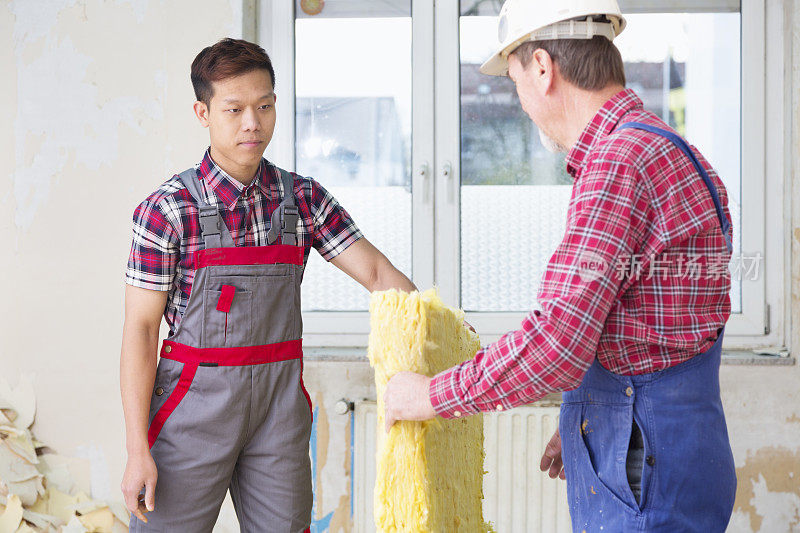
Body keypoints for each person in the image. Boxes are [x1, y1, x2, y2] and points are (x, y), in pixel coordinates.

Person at [382, 1, 737, 531]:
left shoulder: (617, 163)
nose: (520, 99)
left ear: (544, 68)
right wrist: (589, 421)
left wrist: (427, 396)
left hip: (648, 474)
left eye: (515, 78)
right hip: (680, 450)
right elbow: (653, 326)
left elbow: (557, 345)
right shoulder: (670, 149)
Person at [120, 38, 416, 532]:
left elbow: (378, 275)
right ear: (203, 112)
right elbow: (140, 330)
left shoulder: (302, 199)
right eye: (233, 109)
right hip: (192, 409)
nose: (252, 123)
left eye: (264, 106)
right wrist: (136, 450)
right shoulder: (166, 211)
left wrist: (444, 326)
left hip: (278, 411)